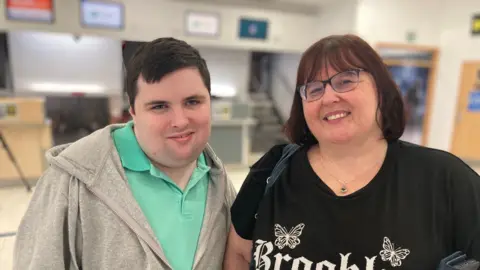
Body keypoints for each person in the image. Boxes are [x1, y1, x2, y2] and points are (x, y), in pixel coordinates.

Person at [223, 34, 480, 270]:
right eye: (314, 89)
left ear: (381, 89)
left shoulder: (445, 179)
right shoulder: (273, 170)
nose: (329, 97)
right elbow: (238, 253)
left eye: (345, 81)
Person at [14, 37, 237, 270]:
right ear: (133, 111)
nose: (180, 121)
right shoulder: (72, 181)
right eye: (159, 106)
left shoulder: (217, 180)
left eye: (193, 102)